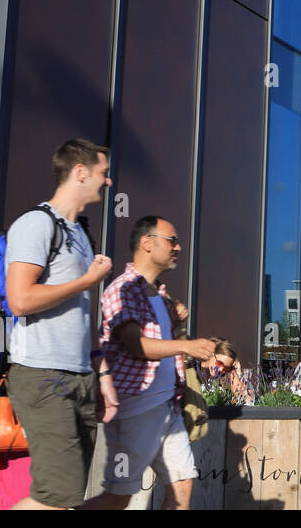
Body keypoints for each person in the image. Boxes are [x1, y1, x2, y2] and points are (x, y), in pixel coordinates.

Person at [4, 138, 116, 510]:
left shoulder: (81, 235)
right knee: (56, 495)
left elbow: (81, 322)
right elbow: (20, 300)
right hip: (41, 373)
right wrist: (87, 281)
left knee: (67, 496)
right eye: (104, 173)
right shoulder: (36, 224)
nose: (109, 182)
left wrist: (101, 377)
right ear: (80, 172)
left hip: (79, 376)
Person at [93, 216, 216, 509]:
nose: (179, 247)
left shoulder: (160, 295)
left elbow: (160, 348)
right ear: (147, 243)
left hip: (165, 407)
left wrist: (177, 324)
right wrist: (187, 345)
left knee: (182, 486)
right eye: (172, 240)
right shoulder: (121, 290)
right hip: (135, 409)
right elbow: (136, 346)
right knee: (118, 498)